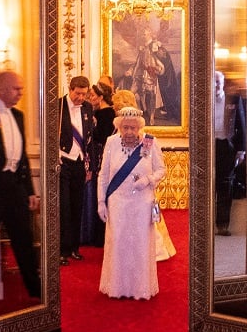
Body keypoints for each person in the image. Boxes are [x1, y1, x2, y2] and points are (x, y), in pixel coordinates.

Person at [0, 70, 42, 298]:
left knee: (24, 241)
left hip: (15, 188)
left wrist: (30, 192)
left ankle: (35, 290)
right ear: (2, 88)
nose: (21, 93)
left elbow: (23, 156)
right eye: (17, 89)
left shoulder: (18, 116)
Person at [97, 106, 169, 299]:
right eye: (125, 128)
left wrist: (148, 180)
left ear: (140, 128)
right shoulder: (111, 142)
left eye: (133, 128)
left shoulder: (149, 143)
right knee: (119, 243)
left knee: (140, 244)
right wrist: (100, 202)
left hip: (142, 202)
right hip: (118, 201)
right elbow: (103, 175)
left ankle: (140, 289)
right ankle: (117, 288)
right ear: (119, 127)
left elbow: (161, 169)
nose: (129, 132)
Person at [58, 76, 95, 265]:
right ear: (70, 89)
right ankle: (62, 251)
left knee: (77, 207)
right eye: (77, 93)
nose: (80, 97)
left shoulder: (88, 108)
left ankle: (73, 248)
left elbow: (90, 140)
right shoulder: (57, 106)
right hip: (63, 163)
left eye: (84, 94)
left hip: (80, 164)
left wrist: (90, 167)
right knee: (64, 208)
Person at [80, 81, 117, 247]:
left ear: (101, 97)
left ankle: (97, 235)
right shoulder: (98, 112)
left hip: (100, 157)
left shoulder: (106, 114)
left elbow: (102, 137)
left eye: (92, 96)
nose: (90, 98)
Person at [213, 71, 246, 236]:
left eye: (218, 81)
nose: (216, 85)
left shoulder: (234, 99)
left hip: (227, 146)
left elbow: (241, 123)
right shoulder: (204, 100)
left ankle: (223, 224)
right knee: (209, 184)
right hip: (210, 146)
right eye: (213, 81)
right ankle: (207, 221)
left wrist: (241, 150)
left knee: (226, 185)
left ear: (223, 82)